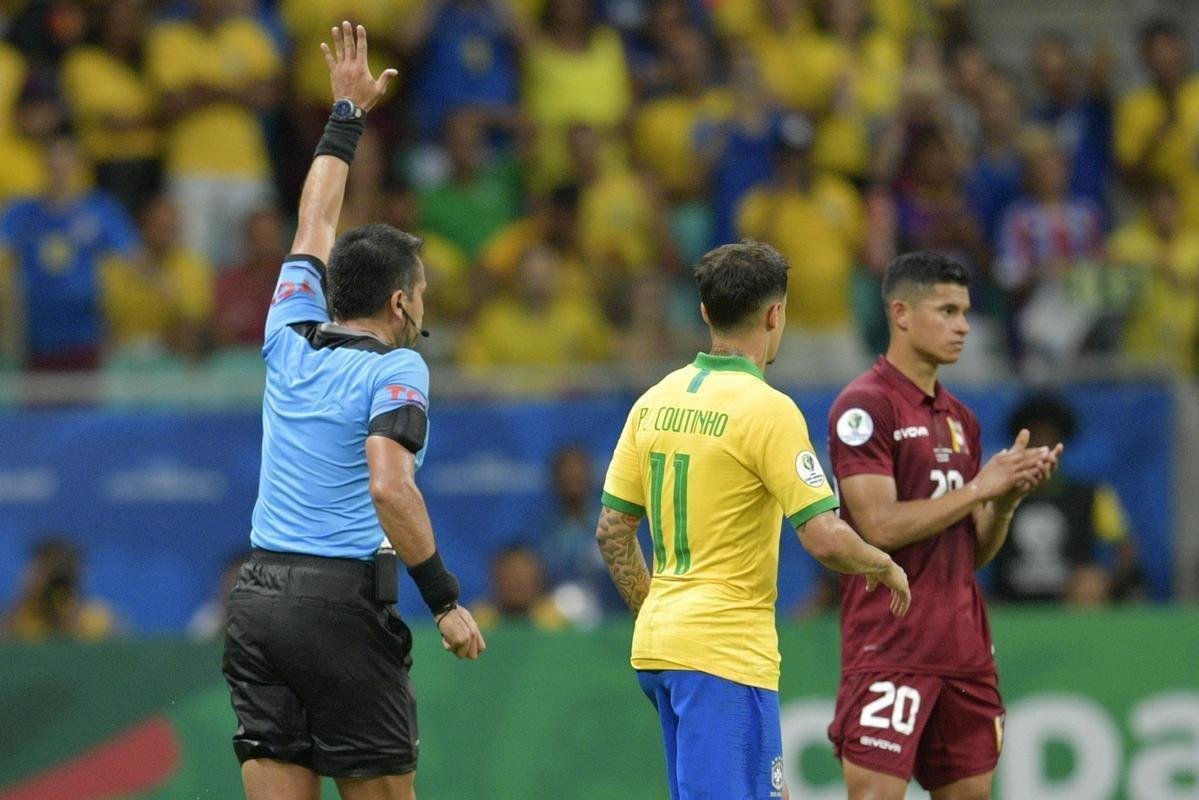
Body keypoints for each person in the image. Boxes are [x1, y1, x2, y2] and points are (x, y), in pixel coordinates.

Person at [221, 23, 485, 800]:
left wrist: (346, 116)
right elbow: (388, 486)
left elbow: (314, 223)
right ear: (402, 301)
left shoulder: (288, 324)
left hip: (258, 598)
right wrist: (444, 601)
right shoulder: (398, 365)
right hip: (339, 607)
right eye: (423, 292)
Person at [597, 241, 911, 800]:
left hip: (660, 650)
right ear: (775, 314)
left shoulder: (652, 401)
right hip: (724, 653)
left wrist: (662, 616)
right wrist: (881, 562)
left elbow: (612, 530)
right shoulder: (767, 409)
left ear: (703, 312)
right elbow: (824, 536)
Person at [826, 251, 1061, 800]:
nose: (963, 326)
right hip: (891, 644)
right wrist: (979, 487)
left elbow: (969, 552)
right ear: (901, 313)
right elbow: (879, 526)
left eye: (966, 313)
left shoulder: (961, 419)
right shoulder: (864, 407)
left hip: (965, 649)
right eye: (948, 310)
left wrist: (1004, 501)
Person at [990, 393, 1142, 604]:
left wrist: (1105, 582)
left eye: (1048, 439)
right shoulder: (998, 495)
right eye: (1034, 439)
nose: (1041, 447)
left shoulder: (1092, 495)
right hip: (1008, 603)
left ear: (1062, 445)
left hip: (1073, 607)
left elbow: (1125, 547)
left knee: (1089, 585)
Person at [1, 537, 119, 642]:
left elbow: (122, 657)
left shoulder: (97, 619)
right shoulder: (20, 618)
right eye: (46, 572)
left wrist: (72, 624)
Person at [470, 544, 568, 631]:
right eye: (511, 576)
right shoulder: (478, 623)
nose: (517, 584)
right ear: (496, 578)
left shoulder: (555, 623)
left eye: (523, 577)